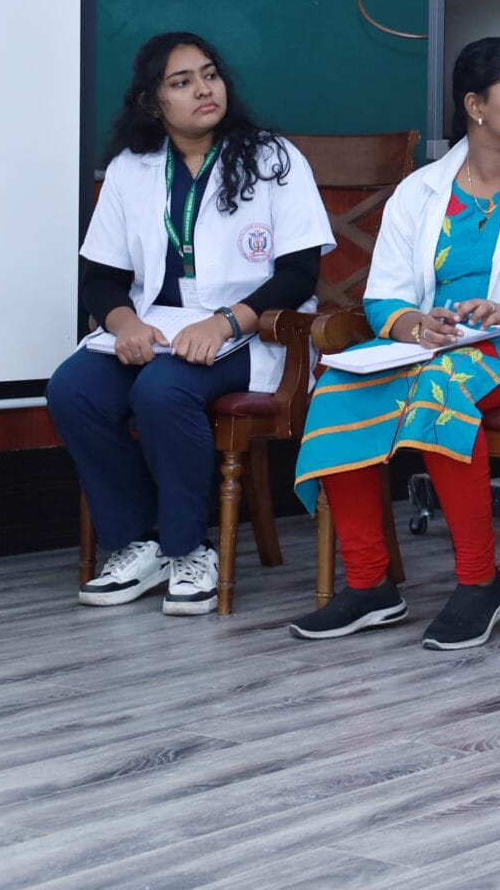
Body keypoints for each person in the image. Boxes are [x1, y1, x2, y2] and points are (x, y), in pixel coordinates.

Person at [288, 37, 500, 650]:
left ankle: (480, 581)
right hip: (433, 345)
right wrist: (413, 326)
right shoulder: (422, 188)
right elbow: (383, 298)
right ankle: (369, 584)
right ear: (476, 105)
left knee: (442, 389)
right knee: (337, 385)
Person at [48, 32, 335, 616]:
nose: (204, 89)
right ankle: (139, 542)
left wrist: (224, 324)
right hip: (156, 329)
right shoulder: (132, 169)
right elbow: (99, 277)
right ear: (152, 102)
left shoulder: (272, 158)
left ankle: (188, 549)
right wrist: (125, 323)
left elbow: (299, 273)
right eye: (182, 82)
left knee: (162, 390)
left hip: (255, 330)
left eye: (210, 74)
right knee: (72, 389)